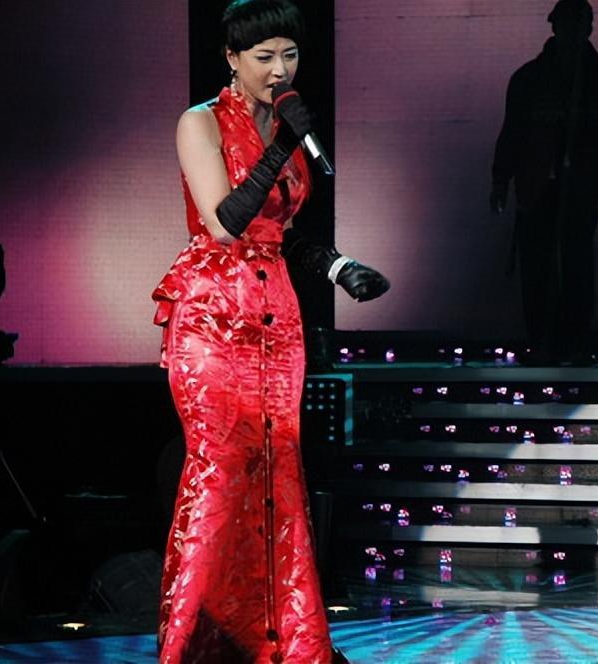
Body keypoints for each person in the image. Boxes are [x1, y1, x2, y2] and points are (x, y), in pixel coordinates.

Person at [151, 1, 385, 661]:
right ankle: (195, 642)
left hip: (276, 318)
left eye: (290, 55)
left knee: (279, 473)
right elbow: (225, 222)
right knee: (220, 471)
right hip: (211, 315)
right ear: (232, 58)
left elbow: (280, 231)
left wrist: (337, 266)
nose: (280, 70)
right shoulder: (199, 122)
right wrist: (283, 144)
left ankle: (281, 642)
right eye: (264, 57)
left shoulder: (281, 125)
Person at [490, 0, 598, 366]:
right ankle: (543, 340)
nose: (573, 31)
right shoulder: (529, 78)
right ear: (555, 26)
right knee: (538, 264)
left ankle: (576, 341)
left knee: (577, 262)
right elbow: (512, 132)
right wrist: (500, 179)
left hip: (582, 185)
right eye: (568, 23)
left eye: (579, 23)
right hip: (538, 182)